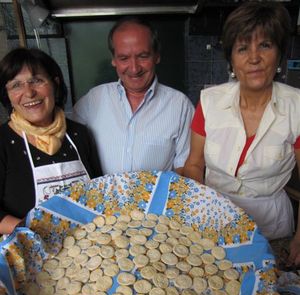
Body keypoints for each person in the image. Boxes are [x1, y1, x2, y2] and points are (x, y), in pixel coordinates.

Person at [183, 1, 300, 266]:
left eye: (265, 45)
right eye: (243, 48)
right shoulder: (209, 102)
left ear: (279, 54)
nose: (254, 57)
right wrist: (194, 210)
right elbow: (194, 164)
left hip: (272, 229)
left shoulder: (297, 107)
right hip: (216, 224)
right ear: (231, 59)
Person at [72, 16, 194, 176]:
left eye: (143, 56)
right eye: (124, 58)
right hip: (103, 200)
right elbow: (72, 154)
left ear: (157, 56)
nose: (134, 68)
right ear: (114, 60)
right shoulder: (92, 101)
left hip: (158, 200)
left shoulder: (180, 106)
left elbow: (186, 167)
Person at [0, 47, 102, 235]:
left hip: (89, 245)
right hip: (30, 250)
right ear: (7, 95)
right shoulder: (3, 142)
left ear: (55, 83)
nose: (29, 93)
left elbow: (100, 191)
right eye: (16, 85)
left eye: (36, 80)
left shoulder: (79, 134)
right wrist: (31, 232)